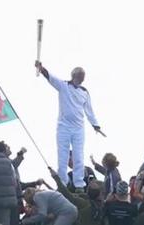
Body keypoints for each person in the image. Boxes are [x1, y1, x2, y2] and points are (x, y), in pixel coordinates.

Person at [35, 60, 104, 193]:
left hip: (79, 128)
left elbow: (89, 109)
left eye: (83, 78)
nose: (82, 80)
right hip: (64, 127)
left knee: (78, 156)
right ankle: (63, 183)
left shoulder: (84, 92)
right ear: (74, 76)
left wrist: (95, 125)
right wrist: (41, 68)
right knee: (63, 156)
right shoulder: (63, 86)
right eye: (80, 77)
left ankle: (79, 185)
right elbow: (50, 77)